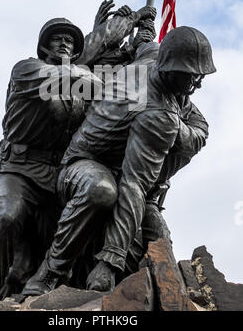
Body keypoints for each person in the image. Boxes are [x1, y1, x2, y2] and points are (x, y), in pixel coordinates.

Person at [0, 0, 155, 310]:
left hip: (55, 178)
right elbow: (78, 80)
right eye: (58, 38)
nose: (64, 42)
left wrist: (140, 52)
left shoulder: (81, 81)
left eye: (70, 40)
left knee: (75, 241)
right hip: (19, 171)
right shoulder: (28, 70)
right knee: (6, 216)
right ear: (44, 46)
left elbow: (119, 101)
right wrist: (116, 28)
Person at [22, 25, 216, 295]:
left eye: (199, 75)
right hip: (81, 166)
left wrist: (143, 34)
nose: (198, 83)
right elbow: (133, 185)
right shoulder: (156, 114)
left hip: (128, 169)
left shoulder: (154, 57)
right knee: (101, 190)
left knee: (157, 230)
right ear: (170, 69)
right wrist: (109, 262)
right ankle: (49, 275)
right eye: (192, 76)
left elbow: (200, 128)